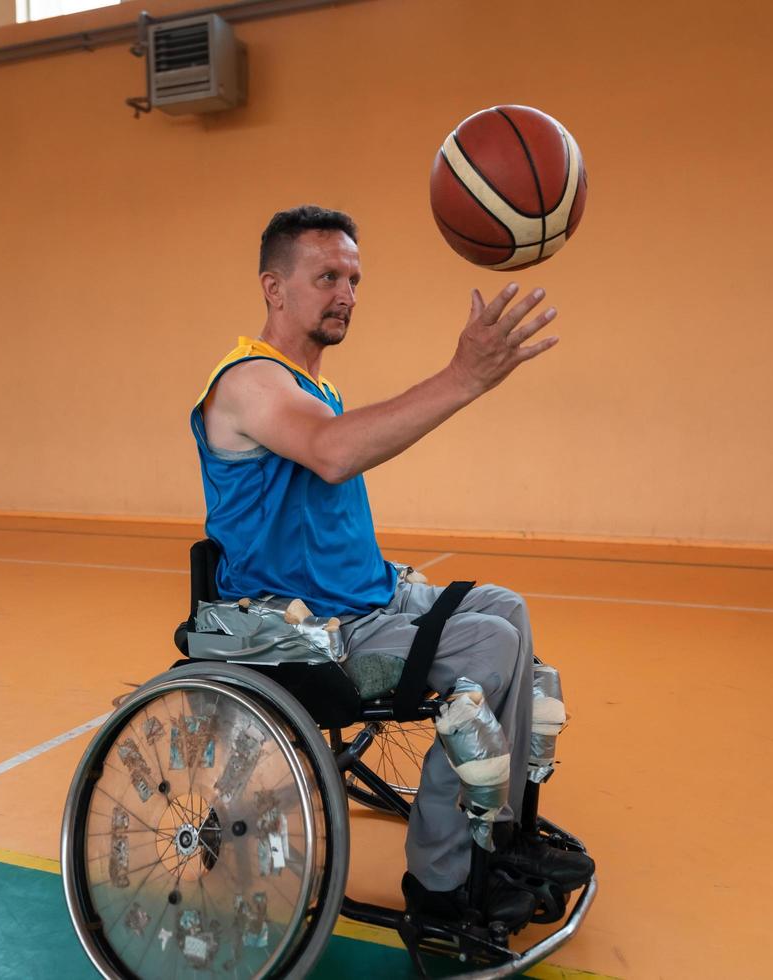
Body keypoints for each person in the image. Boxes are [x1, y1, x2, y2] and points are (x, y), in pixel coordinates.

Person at [190, 205, 592, 928]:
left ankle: (499, 835)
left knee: (505, 607)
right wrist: (462, 377)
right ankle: (442, 885)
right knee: (490, 646)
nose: (345, 293)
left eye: (352, 278)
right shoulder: (248, 382)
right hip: (298, 632)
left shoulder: (312, 385)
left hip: (361, 599)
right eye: (326, 277)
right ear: (273, 288)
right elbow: (333, 450)